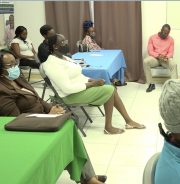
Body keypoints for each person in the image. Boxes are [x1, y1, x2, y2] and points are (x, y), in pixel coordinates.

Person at [0, 50, 107, 184]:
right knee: (66, 132)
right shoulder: (2, 91)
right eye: (9, 66)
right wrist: (45, 116)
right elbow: (14, 120)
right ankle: (89, 178)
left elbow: (37, 98)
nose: (14, 67)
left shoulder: (17, 78)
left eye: (15, 63)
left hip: (41, 117)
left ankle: (89, 177)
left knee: (70, 125)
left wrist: (50, 108)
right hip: (28, 128)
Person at [43, 34, 145, 134]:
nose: (66, 43)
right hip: (68, 96)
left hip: (78, 89)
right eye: (62, 42)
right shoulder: (51, 64)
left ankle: (128, 121)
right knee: (110, 89)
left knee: (110, 88)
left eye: (66, 41)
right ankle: (109, 127)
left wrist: (91, 80)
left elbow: (78, 76)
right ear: (55, 46)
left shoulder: (64, 58)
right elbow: (67, 88)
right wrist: (92, 84)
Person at [143, 24, 178, 93]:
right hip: (155, 58)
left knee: (174, 64)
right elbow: (150, 51)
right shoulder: (152, 38)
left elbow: (171, 52)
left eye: (167, 33)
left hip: (165, 59)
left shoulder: (171, 39)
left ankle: (175, 86)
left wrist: (167, 57)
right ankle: (151, 84)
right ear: (161, 30)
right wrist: (158, 56)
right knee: (145, 61)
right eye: (165, 33)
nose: (166, 35)